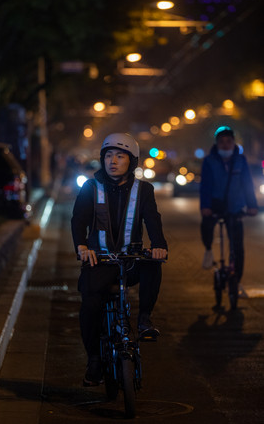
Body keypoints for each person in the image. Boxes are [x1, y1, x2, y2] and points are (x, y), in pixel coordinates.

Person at [71, 132, 168, 386]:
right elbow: (79, 220)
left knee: (152, 266)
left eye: (120, 156)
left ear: (131, 161)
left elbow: (152, 220)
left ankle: (145, 320)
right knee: (90, 305)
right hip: (99, 262)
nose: (113, 161)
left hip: (130, 260)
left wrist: (158, 245)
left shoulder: (144, 189)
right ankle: (93, 359)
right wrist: (82, 246)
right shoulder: (90, 187)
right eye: (109, 155)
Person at [200, 126, 258, 285]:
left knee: (237, 246)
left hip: (236, 207)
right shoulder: (209, 161)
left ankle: (236, 280)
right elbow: (205, 185)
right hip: (215, 205)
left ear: (234, 143)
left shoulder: (241, 160)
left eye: (229, 142)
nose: (225, 145)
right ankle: (208, 250)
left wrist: (252, 205)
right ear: (217, 144)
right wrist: (205, 206)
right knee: (206, 227)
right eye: (222, 142)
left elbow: (247, 184)